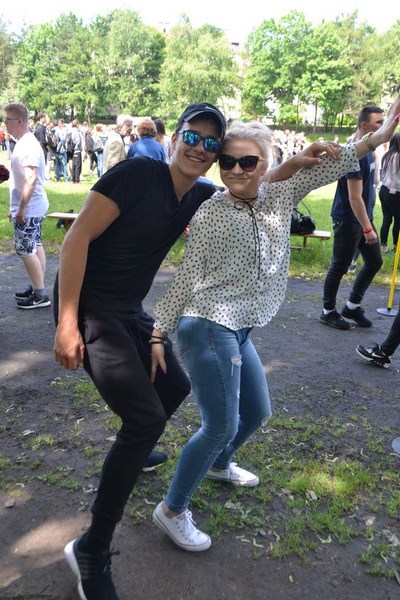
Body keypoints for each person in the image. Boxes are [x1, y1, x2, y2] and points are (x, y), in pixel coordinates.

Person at [148, 101, 400, 552]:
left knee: (258, 412)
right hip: (208, 325)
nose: (236, 170)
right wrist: (157, 331)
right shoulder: (210, 212)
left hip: (240, 326)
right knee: (219, 425)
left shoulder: (279, 196)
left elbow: (333, 165)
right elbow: (186, 277)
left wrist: (376, 140)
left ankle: (219, 465)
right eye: (228, 162)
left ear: (266, 165)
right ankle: (171, 510)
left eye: (249, 162)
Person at [54, 102, 227, 600]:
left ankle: (137, 445)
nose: (199, 148)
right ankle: (90, 549)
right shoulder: (136, 174)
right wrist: (67, 322)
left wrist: (301, 165)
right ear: (174, 138)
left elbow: (257, 183)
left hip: (129, 309)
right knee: (146, 417)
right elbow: (76, 239)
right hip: (91, 306)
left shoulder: (199, 195)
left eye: (211, 143)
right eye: (192, 136)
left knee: (173, 386)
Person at [320, 104, 388, 330]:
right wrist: (367, 228)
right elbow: (354, 197)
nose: (383, 126)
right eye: (379, 122)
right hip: (349, 219)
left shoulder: (369, 149)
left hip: (362, 217)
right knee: (339, 266)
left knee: (374, 261)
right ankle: (328, 312)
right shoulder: (354, 153)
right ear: (364, 125)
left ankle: (352, 306)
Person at [4, 102, 51, 309]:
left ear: (20, 122)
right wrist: (15, 207)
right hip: (31, 206)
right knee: (35, 245)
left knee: (24, 249)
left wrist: (21, 209)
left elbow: (30, 179)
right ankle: (38, 287)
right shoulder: (24, 142)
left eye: (8, 119)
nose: (5, 123)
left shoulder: (28, 145)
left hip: (30, 208)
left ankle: (40, 295)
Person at [378, 133, 400, 253]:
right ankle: (396, 246)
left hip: (384, 190)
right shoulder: (398, 157)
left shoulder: (386, 155)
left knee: (387, 218)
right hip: (396, 193)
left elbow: (381, 174)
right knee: (398, 220)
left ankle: (383, 246)